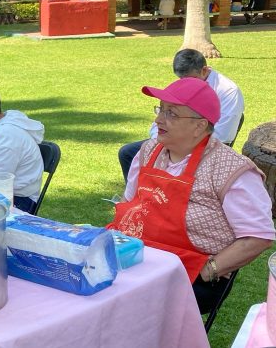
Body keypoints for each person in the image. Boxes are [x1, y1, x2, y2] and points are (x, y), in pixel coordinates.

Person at [108, 77, 273, 314]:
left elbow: (258, 236)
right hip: (135, 257)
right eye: (160, 109)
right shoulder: (148, 151)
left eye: (171, 113)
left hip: (189, 273)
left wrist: (210, 270)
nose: (158, 119)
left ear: (199, 125)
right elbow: (129, 203)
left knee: (120, 304)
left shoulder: (231, 169)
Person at [118, 49, 244, 181]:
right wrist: (159, 142)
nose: (186, 83)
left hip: (201, 147)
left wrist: (181, 144)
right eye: (182, 79)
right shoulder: (183, 86)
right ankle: (141, 195)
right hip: (174, 141)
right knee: (128, 153)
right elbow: (162, 119)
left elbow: (223, 135)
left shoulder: (228, 91)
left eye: (192, 78)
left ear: (205, 70)